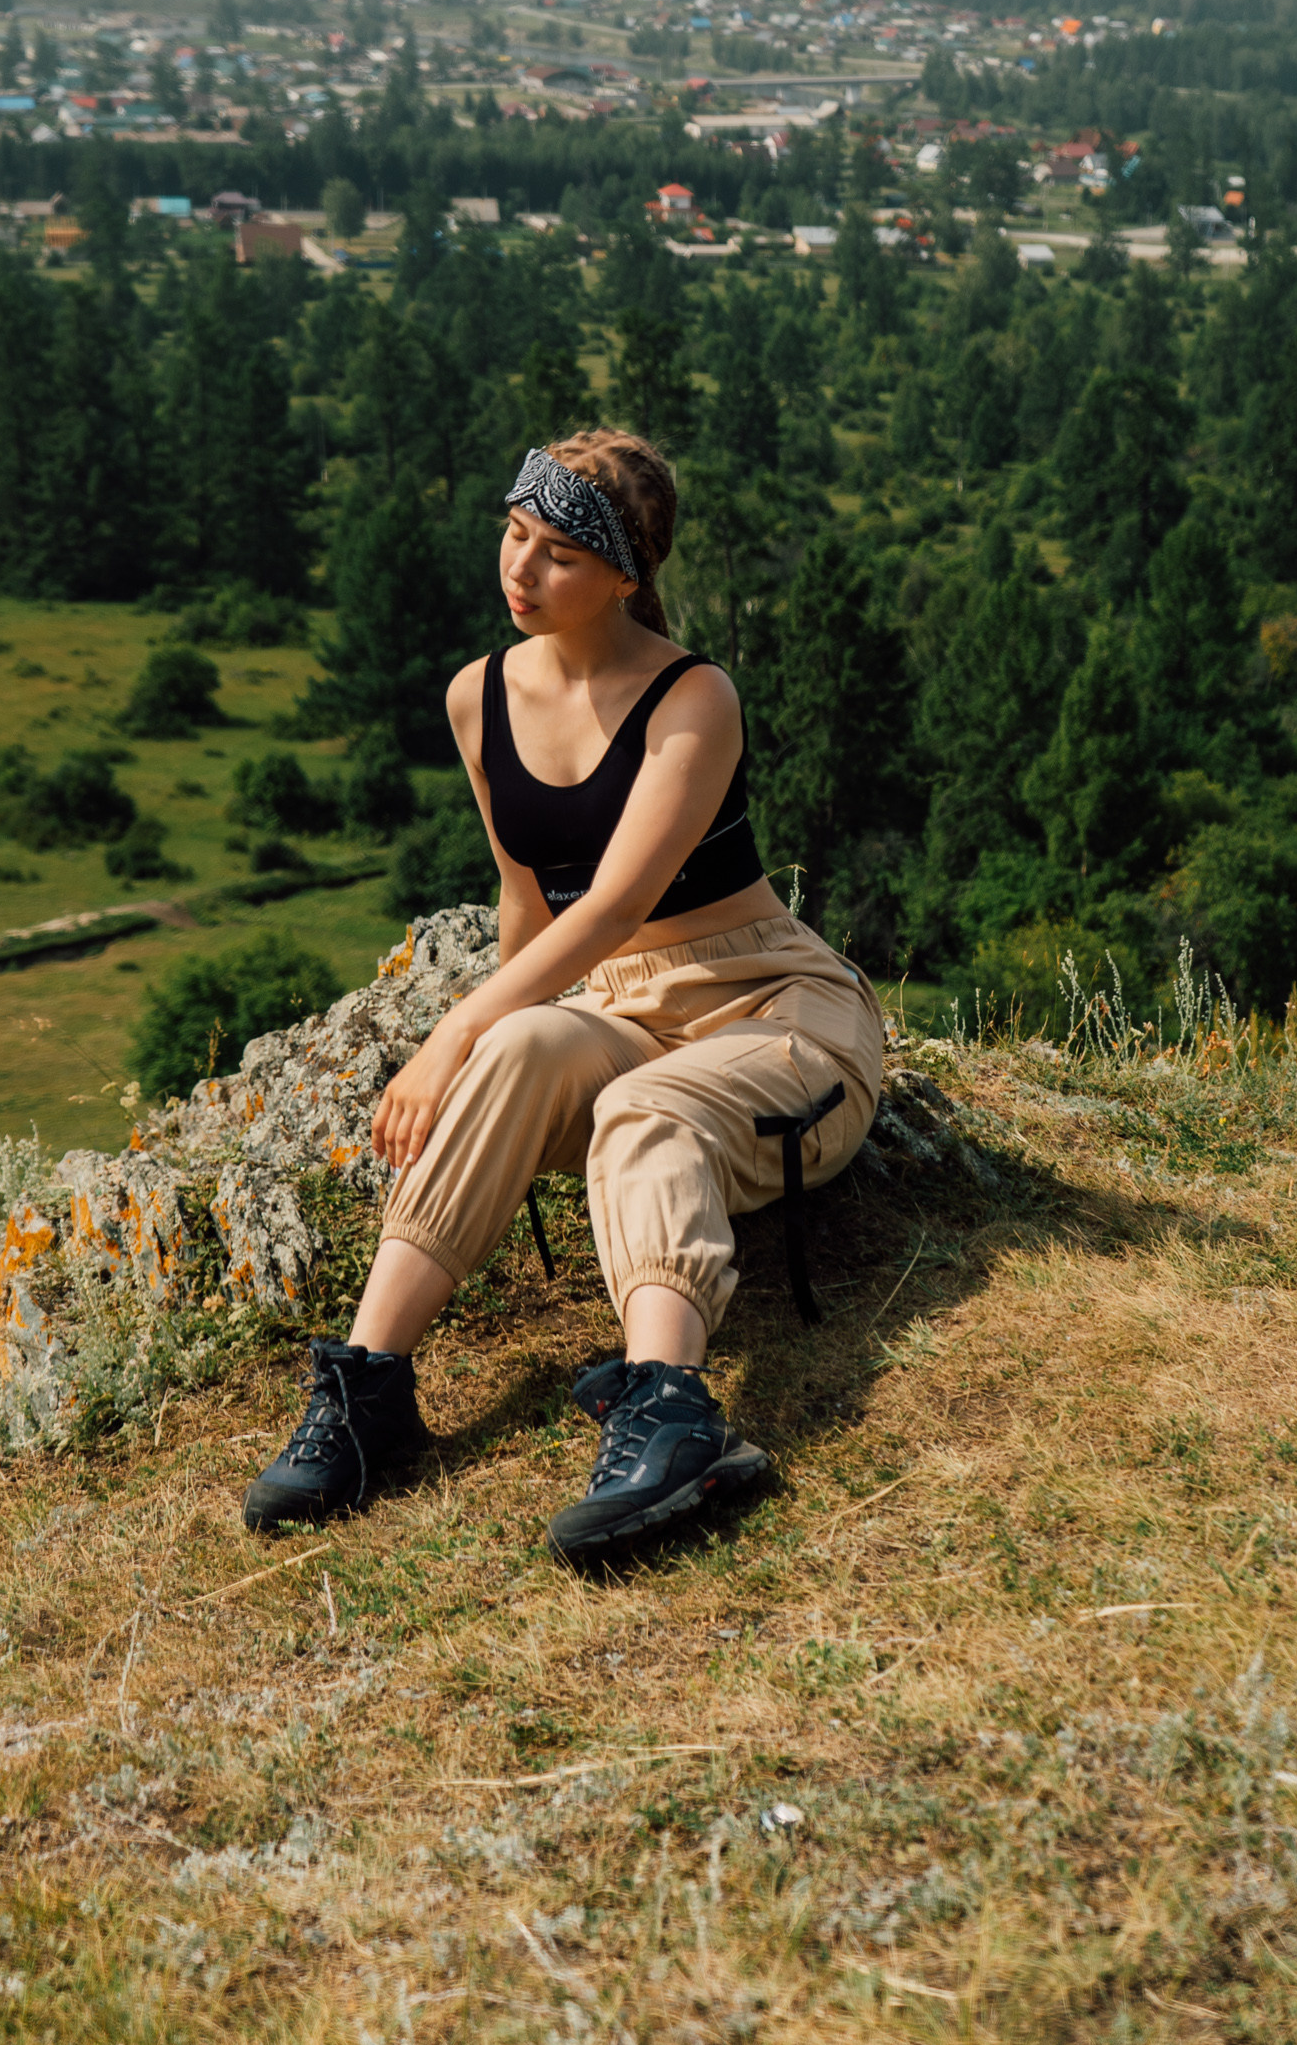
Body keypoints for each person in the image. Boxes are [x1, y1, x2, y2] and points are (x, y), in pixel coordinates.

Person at [242, 426, 886, 1565]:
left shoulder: (694, 698)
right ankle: (368, 1390)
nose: (520, 570)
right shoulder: (477, 695)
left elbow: (613, 906)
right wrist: (489, 1036)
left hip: (773, 1008)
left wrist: (447, 1030)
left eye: (558, 557)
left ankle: (671, 1408)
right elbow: (531, 907)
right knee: (520, 1046)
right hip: (625, 1009)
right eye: (514, 534)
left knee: (640, 1109)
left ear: (627, 577)